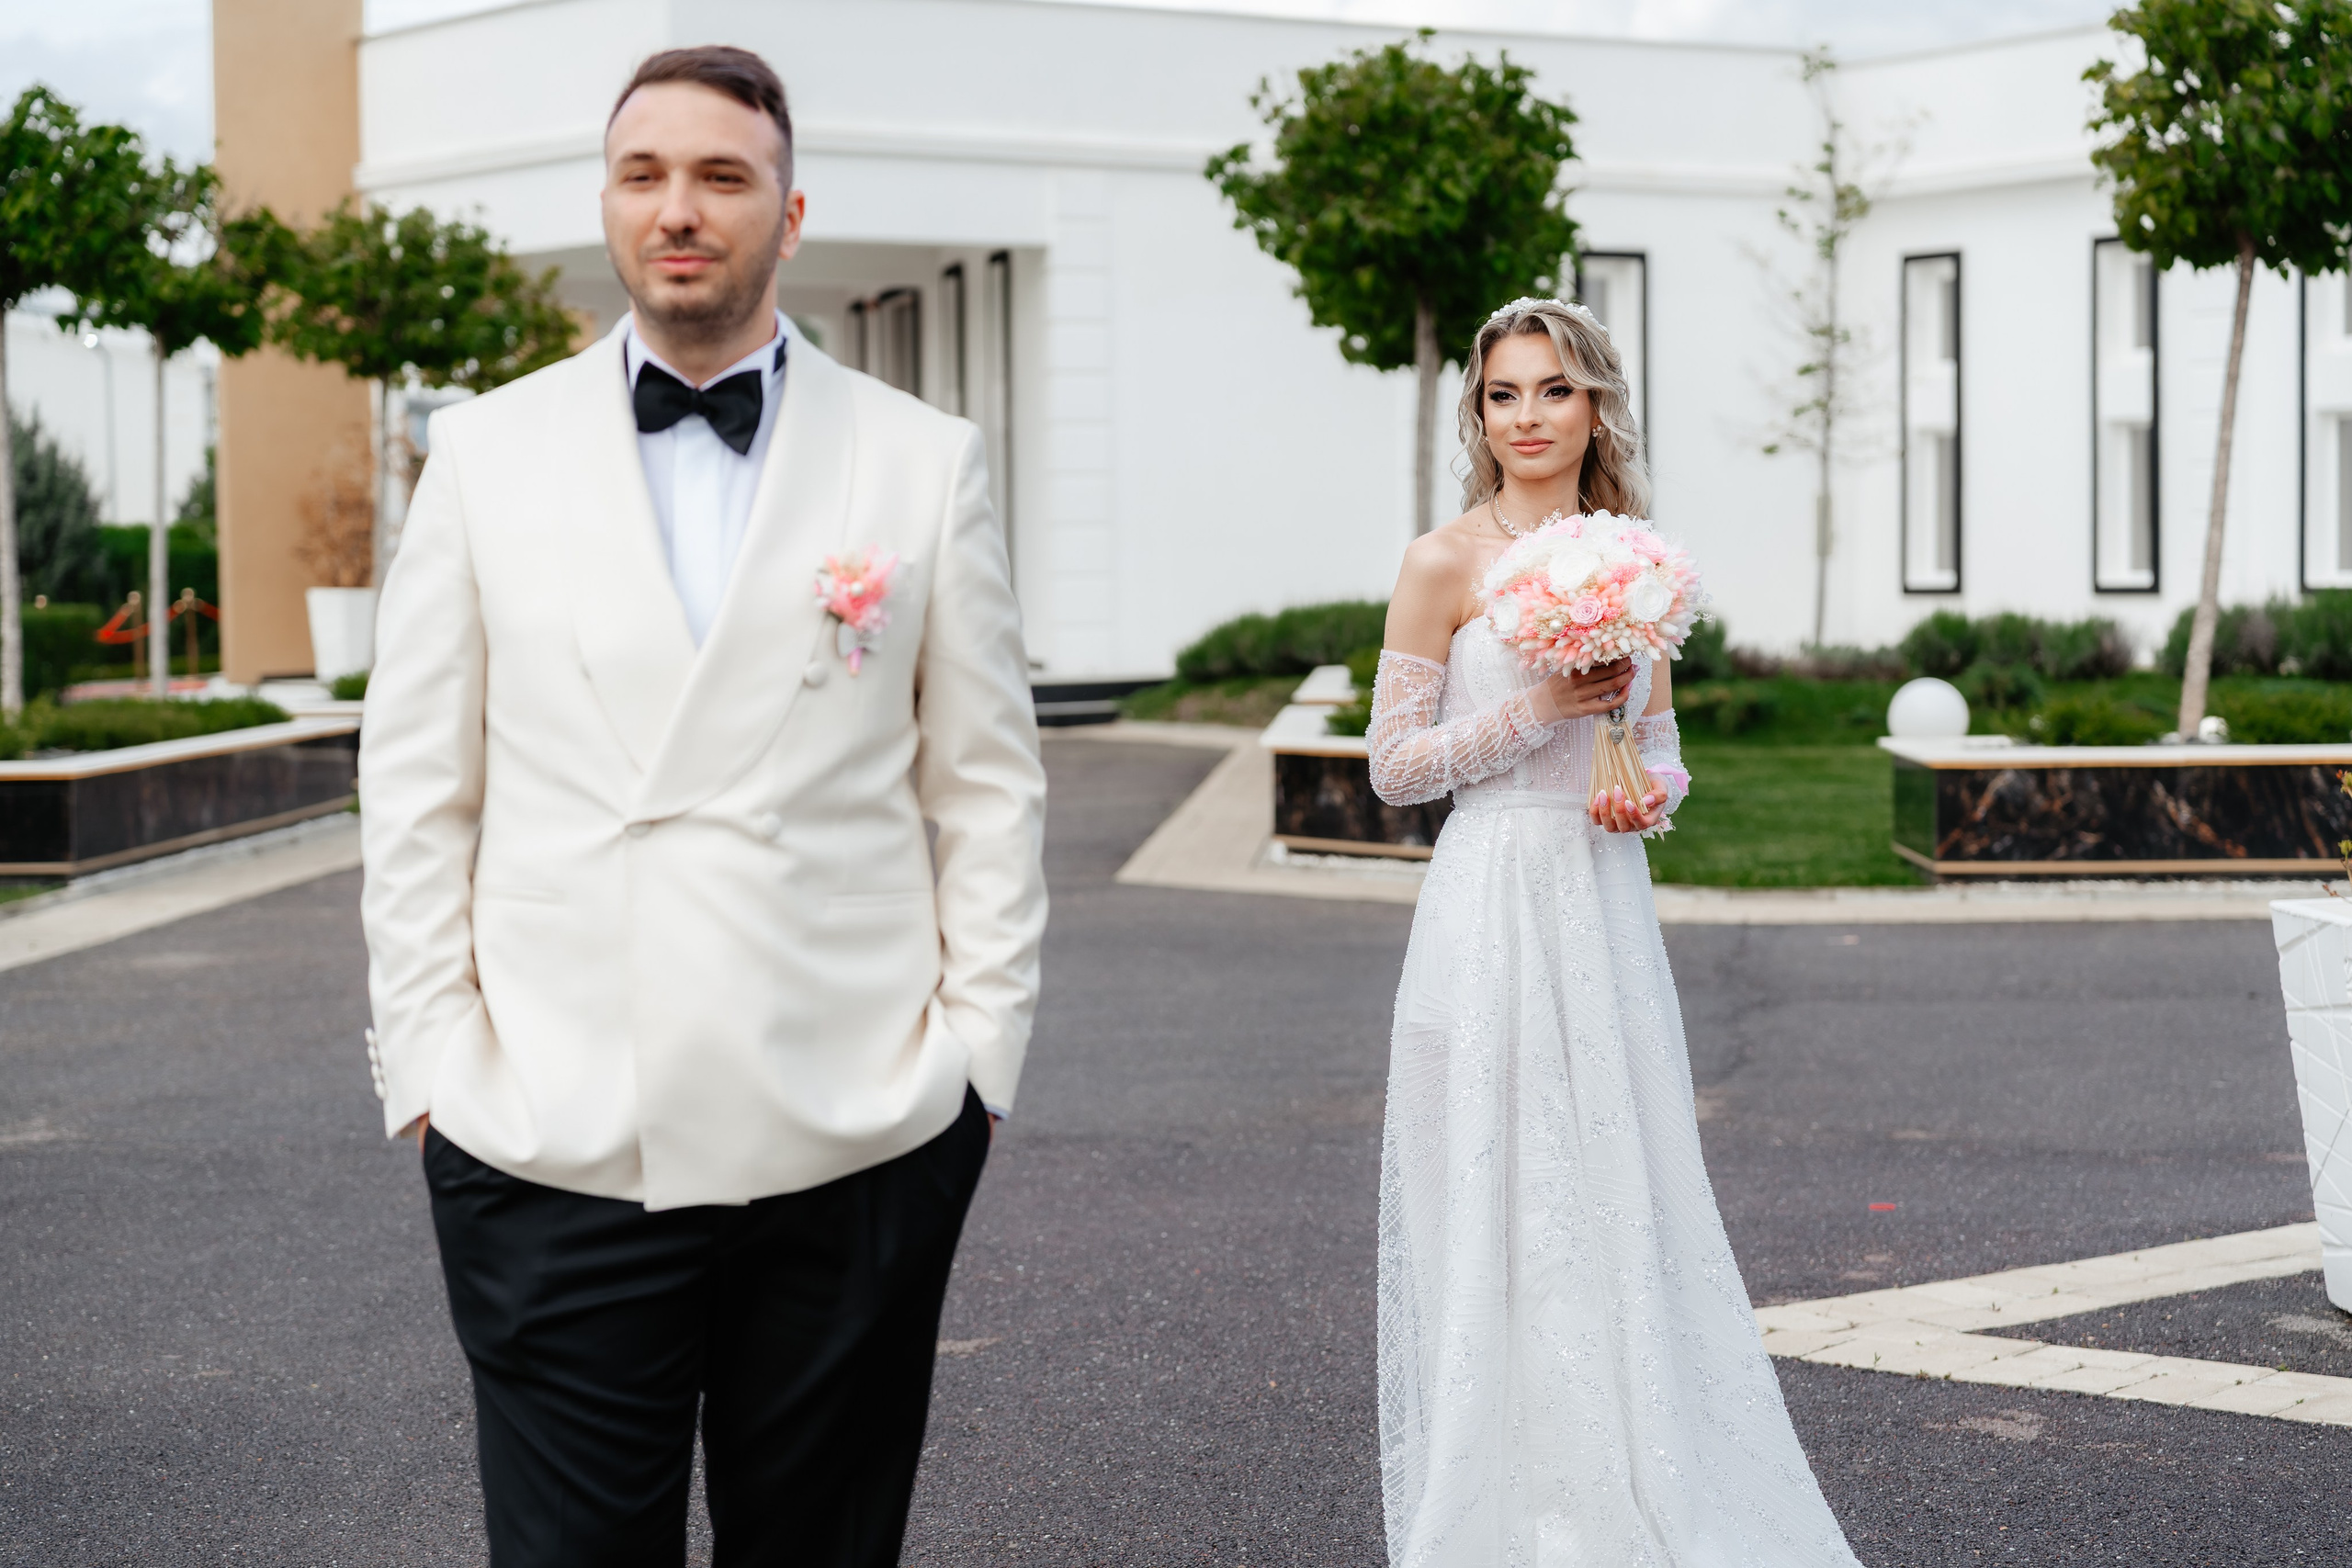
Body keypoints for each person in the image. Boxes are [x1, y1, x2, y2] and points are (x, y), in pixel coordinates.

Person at [356, 44, 1046, 1567]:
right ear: (607, 205)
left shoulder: (921, 461)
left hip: (853, 1132)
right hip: (550, 1137)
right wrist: (433, 1071)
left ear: (789, 215)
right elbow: (414, 786)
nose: (680, 208)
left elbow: (989, 783)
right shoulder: (482, 454)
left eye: (723, 176)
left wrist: (975, 1066)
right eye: (645, 174)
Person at [1367, 298, 1861, 1565]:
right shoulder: (1440, 563)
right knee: (1494, 1195)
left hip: (1599, 904)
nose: (1527, 417)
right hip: (1488, 903)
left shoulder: (1640, 567)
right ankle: (1507, 1504)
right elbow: (1395, 768)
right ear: (1478, 415)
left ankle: (1624, 1485)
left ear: (1597, 407)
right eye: (1503, 394)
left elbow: (1662, 751)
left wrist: (1642, 785)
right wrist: (1536, 709)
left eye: (1554, 390)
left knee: (1609, 1190)